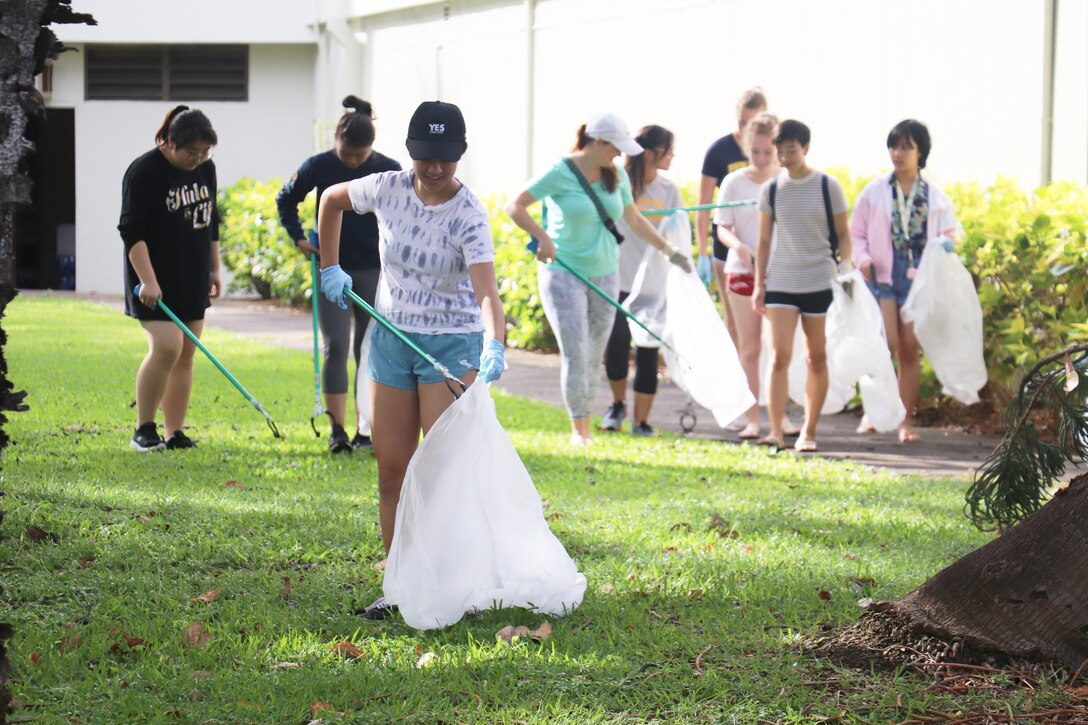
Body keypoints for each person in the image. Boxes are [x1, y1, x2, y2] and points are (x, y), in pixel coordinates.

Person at [316, 100, 506, 619]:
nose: (436, 168)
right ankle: (398, 585)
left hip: (449, 347)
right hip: (393, 342)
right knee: (392, 469)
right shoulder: (386, 187)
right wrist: (329, 266)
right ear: (410, 151)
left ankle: (451, 584)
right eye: (426, 156)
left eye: (446, 157)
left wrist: (495, 342)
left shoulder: (469, 215)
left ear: (461, 154)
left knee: (441, 475)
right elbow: (331, 200)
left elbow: (487, 293)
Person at [505, 113, 693, 447]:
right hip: (565, 272)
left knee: (593, 354)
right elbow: (516, 206)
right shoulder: (561, 171)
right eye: (615, 147)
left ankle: (586, 419)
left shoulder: (616, 173)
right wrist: (542, 237)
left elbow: (633, 219)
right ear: (597, 142)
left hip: (606, 272)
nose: (620, 155)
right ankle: (581, 429)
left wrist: (669, 251)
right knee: (577, 352)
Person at [276, 95, 401, 453]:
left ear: (371, 149)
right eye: (346, 154)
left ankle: (367, 430)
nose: (351, 161)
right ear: (336, 141)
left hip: (374, 269)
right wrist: (299, 237)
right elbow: (286, 199)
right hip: (331, 268)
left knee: (370, 349)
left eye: (359, 157)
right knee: (336, 347)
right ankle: (337, 431)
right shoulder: (318, 165)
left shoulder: (389, 168)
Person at [851, 119, 959, 443]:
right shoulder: (874, 191)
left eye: (906, 147)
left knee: (910, 349)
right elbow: (856, 233)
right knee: (885, 345)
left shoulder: (935, 196)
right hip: (882, 274)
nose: (897, 153)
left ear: (920, 152)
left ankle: (904, 421)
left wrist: (945, 246)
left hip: (917, 277)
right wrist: (864, 259)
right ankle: (874, 411)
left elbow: (950, 234)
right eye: (894, 146)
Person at [119, 106, 220, 452]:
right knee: (166, 347)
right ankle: (143, 429)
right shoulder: (143, 172)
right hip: (152, 279)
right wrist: (147, 280)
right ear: (169, 143)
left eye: (204, 152)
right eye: (191, 152)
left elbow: (211, 220)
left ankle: (174, 431)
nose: (198, 159)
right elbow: (132, 232)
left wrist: (215, 268)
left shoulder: (206, 168)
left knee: (186, 353)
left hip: (192, 272)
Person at [754, 119, 853, 452]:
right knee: (778, 356)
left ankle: (809, 431)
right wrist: (759, 284)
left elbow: (844, 235)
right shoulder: (769, 189)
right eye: (779, 151)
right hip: (781, 280)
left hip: (819, 280)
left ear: (806, 148)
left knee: (817, 358)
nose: (784, 157)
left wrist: (845, 268)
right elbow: (764, 240)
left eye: (791, 150)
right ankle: (776, 431)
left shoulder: (828, 185)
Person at [714, 112, 799, 441]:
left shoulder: (788, 180)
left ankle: (782, 415)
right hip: (742, 273)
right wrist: (740, 249)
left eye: (769, 152)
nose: (763, 159)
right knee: (749, 349)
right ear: (747, 148)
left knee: (780, 350)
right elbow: (723, 227)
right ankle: (753, 418)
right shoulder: (733, 182)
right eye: (756, 152)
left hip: (782, 274)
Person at [600, 125, 680, 436]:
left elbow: (676, 230)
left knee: (648, 353)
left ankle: (641, 422)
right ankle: (618, 404)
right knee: (617, 349)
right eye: (669, 150)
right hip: (616, 279)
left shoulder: (668, 190)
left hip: (652, 285)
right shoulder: (615, 181)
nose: (673, 157)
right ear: (650, 153)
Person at [696, 87, 768, 344]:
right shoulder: (719, 151)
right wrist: (703, 251)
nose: (746, 128)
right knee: (736, 327)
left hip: (767, 250)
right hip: (727, 247)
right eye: (742, 122)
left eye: (753, 122)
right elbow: (704, 204)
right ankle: (739, 382)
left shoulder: (773, 151)